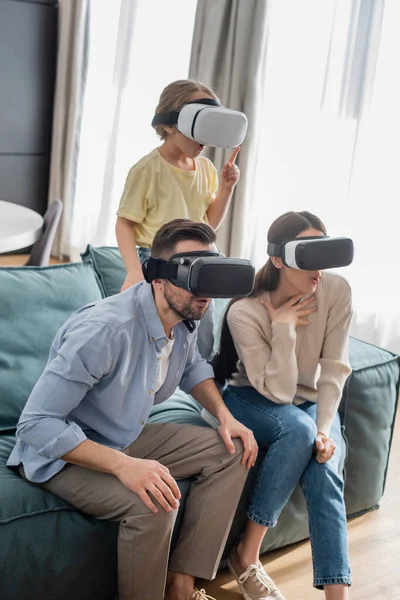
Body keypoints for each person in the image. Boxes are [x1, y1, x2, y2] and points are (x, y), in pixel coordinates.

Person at [7, 219, 258, 600]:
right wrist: (124, 466)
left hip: (124, 435)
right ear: (158, 277)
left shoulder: (185, 314)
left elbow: (191, 368)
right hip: (62, 455)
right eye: (192, 276)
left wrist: (225, 417)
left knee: (233, 450)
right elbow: (36, 425)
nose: (205, 294)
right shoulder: (104, 330)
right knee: (155, 504)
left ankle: (181, 585)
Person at [213, 211, 353, 600]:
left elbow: (334, 371)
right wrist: (284, 327)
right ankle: (247, 556)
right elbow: (278, 390)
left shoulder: (336, 291)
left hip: (310, 406)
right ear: (278, 258)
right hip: (252, 397)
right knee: (299, 429)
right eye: (309, 254)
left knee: (325, 471)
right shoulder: (245, 311)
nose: (319, 268)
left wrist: (325, 430)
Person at [115, 79, 241, 360]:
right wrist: (134, 270)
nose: (204, 141)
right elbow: (125, 223)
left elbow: (208, 226)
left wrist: (226, 189)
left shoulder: (206, 168)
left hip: (202, 261)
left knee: (203, 333)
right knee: (154, 331)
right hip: (161, 262)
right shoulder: (147, 170)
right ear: (171, 124)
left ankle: (197, 382)